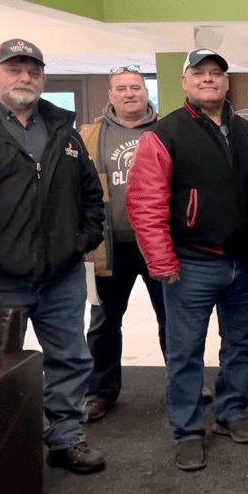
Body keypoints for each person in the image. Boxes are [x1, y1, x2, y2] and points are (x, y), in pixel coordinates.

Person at [127, 49, 248, 471]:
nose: (209, 79)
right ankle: (187, 431)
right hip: (191, 264)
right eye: (199, 73)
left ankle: (231, 413)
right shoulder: (164, 134)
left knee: (241, 346)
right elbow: (145, 202)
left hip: (247, 262)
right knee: (185, 352)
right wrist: (161, 260)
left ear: (227, 83)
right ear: (185, 81)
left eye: (217, 74)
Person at [0, 38, 106, 473]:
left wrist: (82, 241)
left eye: (33, 71)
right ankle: (1, 443)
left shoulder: (64, 131)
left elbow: (92, 195)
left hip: (61, 275)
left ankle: (66, 439)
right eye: (14, 69)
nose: (25, 78)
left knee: (71, 359)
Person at [80, 65, 166, 422]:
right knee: (103, 323)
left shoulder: (167, 130)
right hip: (108, 247)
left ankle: (185, 382)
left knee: (174, 320)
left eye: (136, 87)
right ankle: (100, 391)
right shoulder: (89, 135)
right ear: (110, 96)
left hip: (159, 244)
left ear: (146, 93)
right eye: (122, 89)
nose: (130, 93)